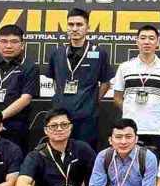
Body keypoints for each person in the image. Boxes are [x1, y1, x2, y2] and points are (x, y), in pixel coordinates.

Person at [46, 8, 113, 148]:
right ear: (66, 27)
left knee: (85, 152)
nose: (75, 28)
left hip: (87, 117)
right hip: (61, 116)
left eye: (79, 24)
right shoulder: (57, 53)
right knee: (61, 151)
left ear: (87, 27)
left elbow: (106, 82)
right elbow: (55, 81)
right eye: (71, 24)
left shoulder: (99, 53)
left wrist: (91, 100)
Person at [112, 25, 160, 153]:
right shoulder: (125, 67)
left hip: (156, 129)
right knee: (130, 164)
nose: (147, 42)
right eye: (143, 38)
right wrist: (130, 110)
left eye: (151, 38)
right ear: (137, 41)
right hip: (130, 129)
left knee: (153, 163)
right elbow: (117, 98)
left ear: (157, 42)